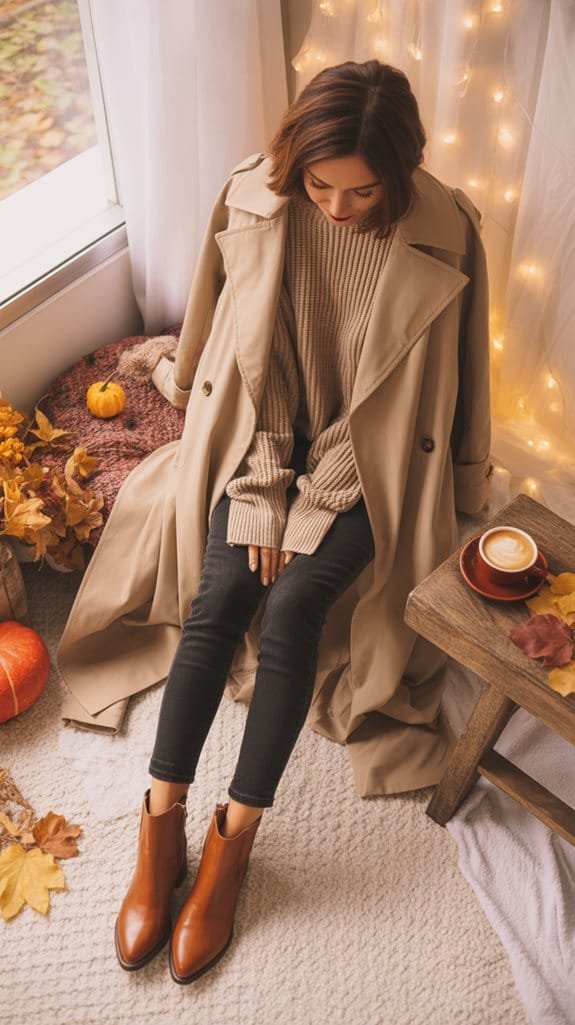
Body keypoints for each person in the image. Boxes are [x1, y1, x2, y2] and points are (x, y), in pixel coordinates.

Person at [57, 60, 491, 984]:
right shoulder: (252, 195)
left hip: (370, 471)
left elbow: (438, 392)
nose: (335, 207)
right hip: (259, 442)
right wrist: (261, 482)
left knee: (292, 609)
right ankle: (161, 824)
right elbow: (234, 349)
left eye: (361, 190)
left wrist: (330, 493)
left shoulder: (448, 227)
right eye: (318, 185)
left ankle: (234, 838)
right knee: (219, 597)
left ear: (401, 172)